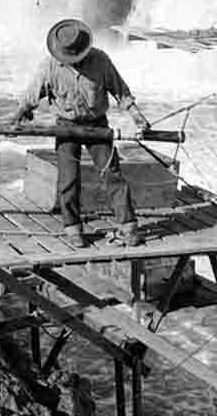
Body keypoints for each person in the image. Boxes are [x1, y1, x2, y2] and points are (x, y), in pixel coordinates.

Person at [10, 19, 150, 248]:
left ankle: (128, 226)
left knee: (112, 174)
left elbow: (120, 91)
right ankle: (72, 227)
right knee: (68, 179)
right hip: (66, 126)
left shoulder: (101, 60)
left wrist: (137, 116)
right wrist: (17, 117)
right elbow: (30, 97)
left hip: (97, 124)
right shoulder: (50, 66)